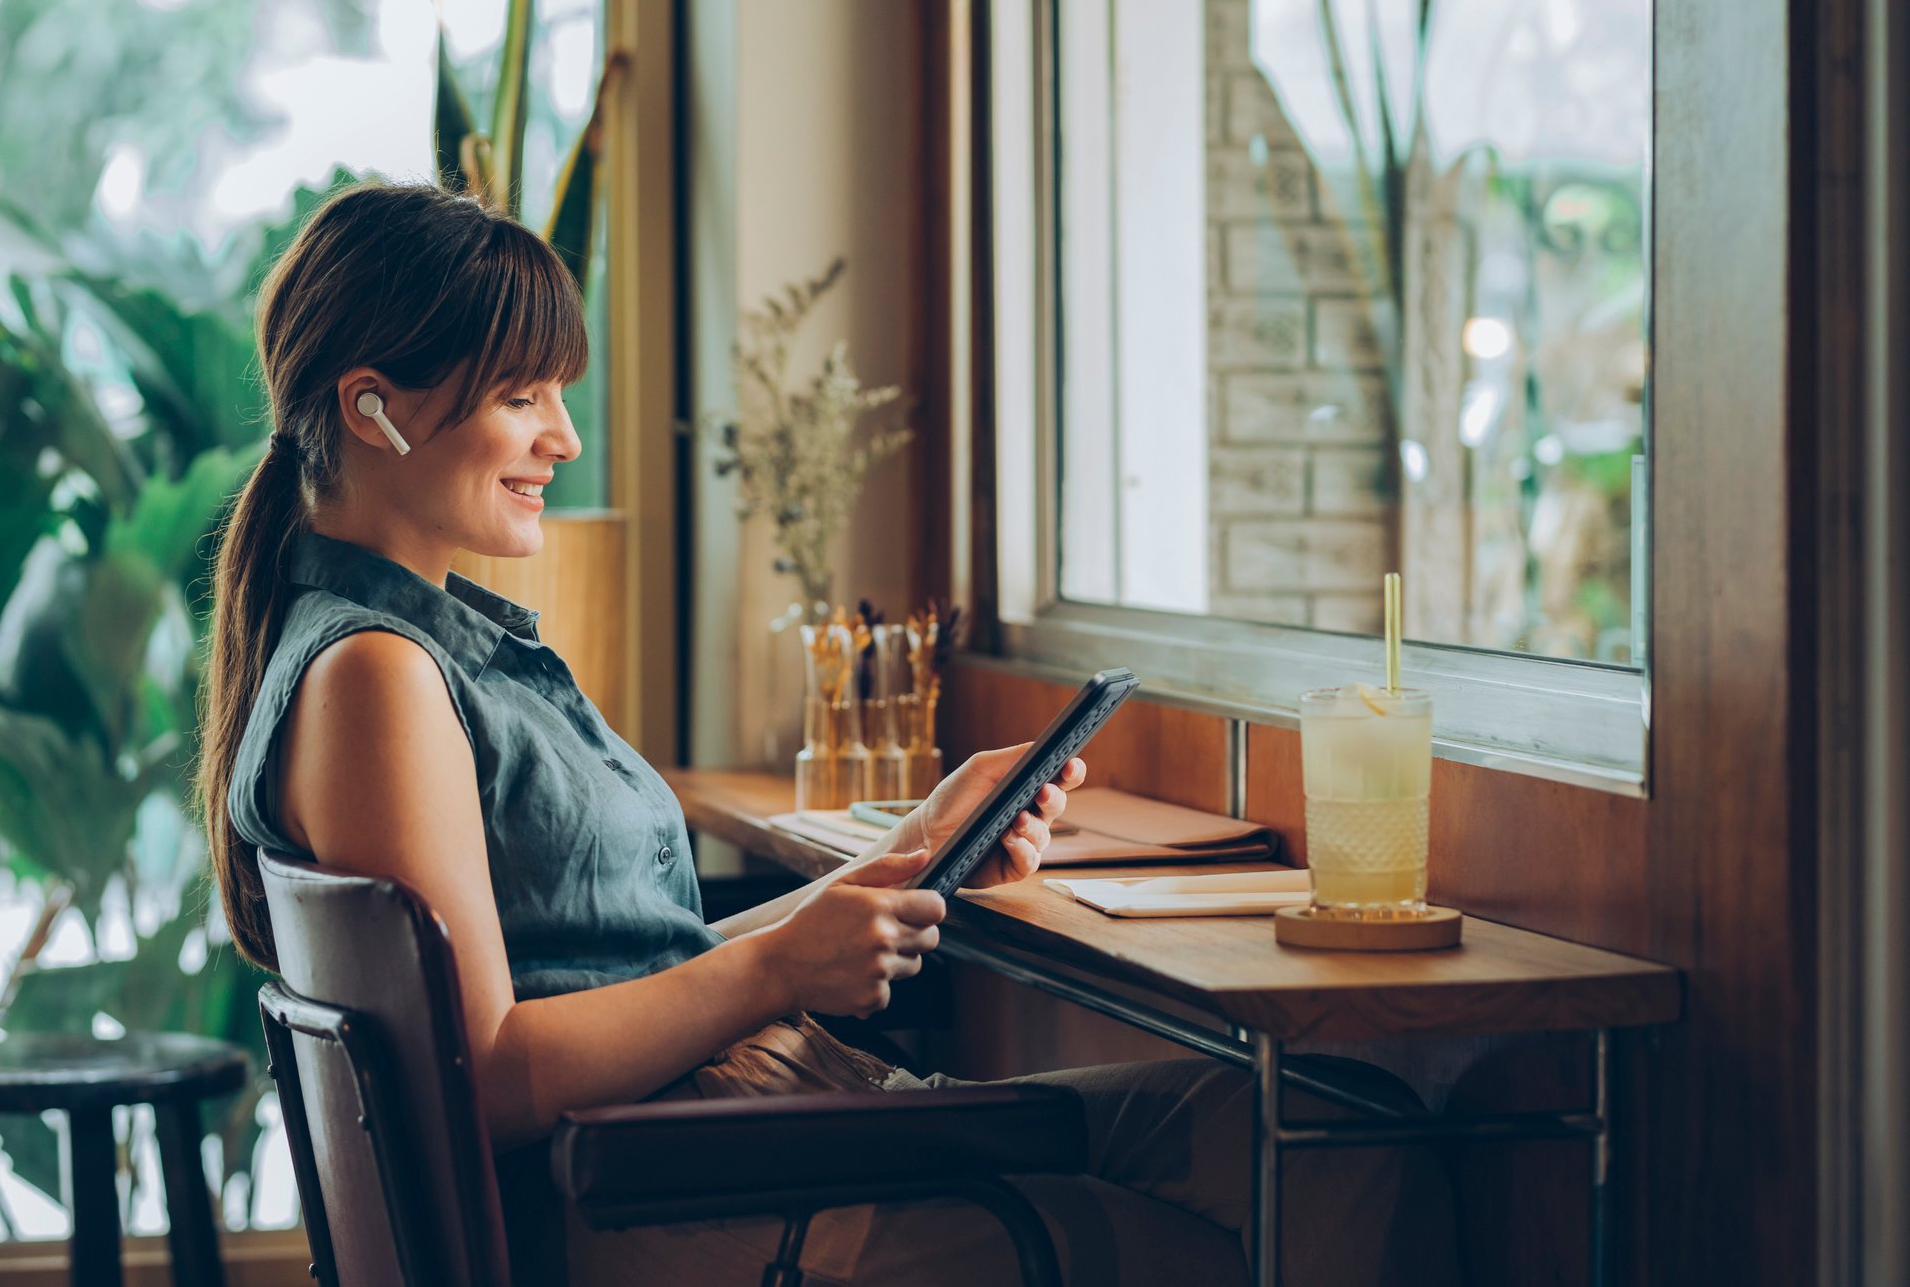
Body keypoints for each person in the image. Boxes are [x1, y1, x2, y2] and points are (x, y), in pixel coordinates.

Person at [196, 181, 1457, 1286]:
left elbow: (609, 973)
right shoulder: (376, 677)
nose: (562, 439)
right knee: (1281, 1184)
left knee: (1337, 1121)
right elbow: (488, 1075)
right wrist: (779, 968)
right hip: (680, 1181)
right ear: (375, 411)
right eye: (522, 395)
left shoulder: (414, 648)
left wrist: (898, 862)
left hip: (731, 1127)